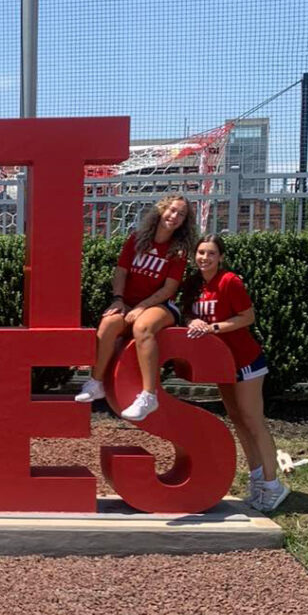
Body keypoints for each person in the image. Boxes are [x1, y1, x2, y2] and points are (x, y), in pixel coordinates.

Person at [181, 234, 290, 512]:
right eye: (201, 252)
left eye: (211, 253)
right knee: (238, 421)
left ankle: (274, 485)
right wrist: (192, 320)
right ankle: (257, 483)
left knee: (253, 420)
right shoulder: (194, 285)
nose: (204, 257)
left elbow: (247, 317)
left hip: (245, 361)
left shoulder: (229, 281)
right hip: (222, 363)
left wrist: (213, 328)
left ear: (220, 257)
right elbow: (186, 315)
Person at [75, 194, 196, 420]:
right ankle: (96, 383)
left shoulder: (178, 251)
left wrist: (141, 306)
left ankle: (149, 396)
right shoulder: (137, 239)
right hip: (128, 304)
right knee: (109, 322)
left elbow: (169, 289)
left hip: (161, 306)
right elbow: (121, 272)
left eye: (181, 214)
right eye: (172, 210)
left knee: (143, 327)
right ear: (161, 210)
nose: (175, 216)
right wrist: (118, 299)